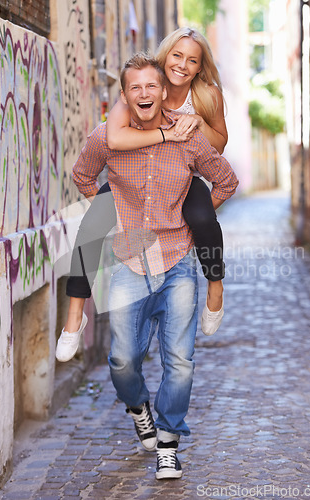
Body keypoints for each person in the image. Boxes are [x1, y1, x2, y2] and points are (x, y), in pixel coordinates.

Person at [67, 52, 238, 480]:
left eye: (152, 85)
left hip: (178, 262)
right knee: (123, 361)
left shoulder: (188, 137)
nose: (144, 93)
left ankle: (168, 442)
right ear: (123, 95)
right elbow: (83, 177)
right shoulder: (104, 139)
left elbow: (226, 180)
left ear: (164, 92)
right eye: (135, 87)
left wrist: (192, 222)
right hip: (130, 263)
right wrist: (111, 218)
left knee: (179, 360)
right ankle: (139, 407)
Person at [56, 27, 228, 363]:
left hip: (181, 175)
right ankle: (74, 317)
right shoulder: (145, 81)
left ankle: (216, 287)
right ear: (165, 58)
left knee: (204, 217)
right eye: (177, 56)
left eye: (192, 60)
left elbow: (218, 147)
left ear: (200, 66)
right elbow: (115, 140)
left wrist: (193, 123)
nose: (182, 65)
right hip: (131, 177)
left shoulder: (207, 93)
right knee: (91, 229)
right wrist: (119, 212)